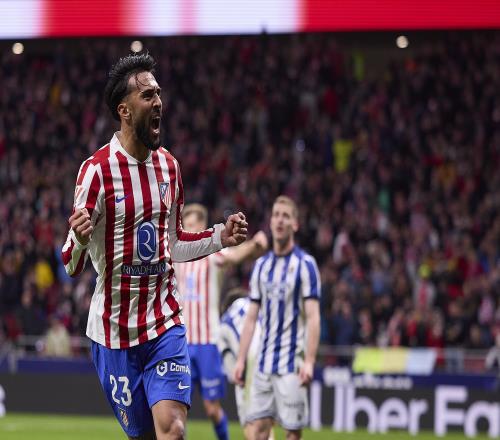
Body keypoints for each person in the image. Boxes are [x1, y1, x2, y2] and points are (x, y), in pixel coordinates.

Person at [61, 53, 248, 440]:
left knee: (173, 429)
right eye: (148, 95)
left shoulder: (169, 167)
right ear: (125, 110)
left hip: (165, 324)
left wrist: (219, 237)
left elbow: (173, 244)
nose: (158, 102)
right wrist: (78, 238)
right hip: (114, 335)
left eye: (158, 94)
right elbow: (70, 264)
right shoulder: (97, 172)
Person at [174, 203, 267, 440]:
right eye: (185, 224)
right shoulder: (177, 257)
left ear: (201, 226)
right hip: (181, 343)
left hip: (208, 342)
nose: (187, 229)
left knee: (212, 409)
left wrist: (254, 245)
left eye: (192, 225)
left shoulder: (211, 255)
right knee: (176, 409)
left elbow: (234, 255)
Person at [234, 195, 321, 440]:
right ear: (270, 222)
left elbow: (313, 317)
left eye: (285, 216)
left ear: (295, 224)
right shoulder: (261, 266)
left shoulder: (306, 265)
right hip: (263, 365)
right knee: (257, 431)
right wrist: (241, 360)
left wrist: (310, 361)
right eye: (276, 215)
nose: (280, 220)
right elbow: (251, 319)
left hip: (292, 366)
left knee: (292, 433)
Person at [218, 288, 267, 440]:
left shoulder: (224, 321)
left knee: (250, 421)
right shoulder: (254, 305)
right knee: (266, 419)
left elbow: (233, 372)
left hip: (250, 360)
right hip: (272, 356)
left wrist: (237, 375)